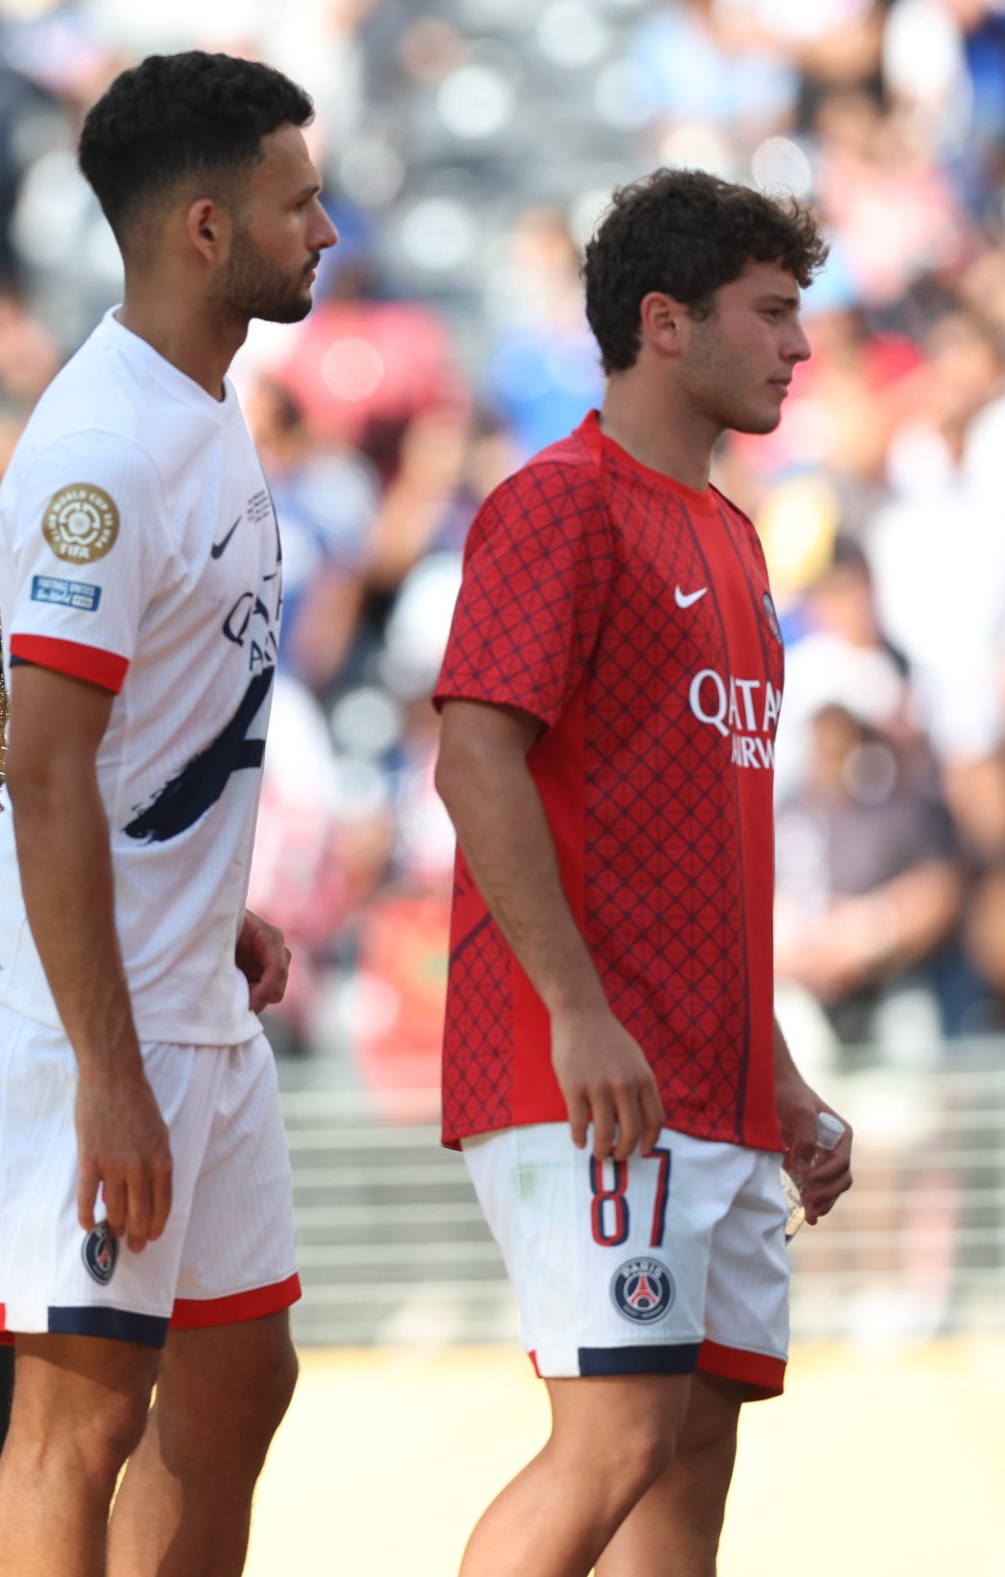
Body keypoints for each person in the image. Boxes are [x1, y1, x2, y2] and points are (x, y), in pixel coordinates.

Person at [0, 52, 334, 1577]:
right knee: (81, 1415)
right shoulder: (100, 452)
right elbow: (37, 767)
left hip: (182, 985)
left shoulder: (204, 409)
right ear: (208, 229)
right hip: (74, 1016)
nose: (329, 229)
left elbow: (145, 738)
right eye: (300, 203)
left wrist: (208, 897)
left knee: (242, 1379)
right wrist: (106, 1067)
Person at [432, 169, 859, 1577]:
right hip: (589, 1072)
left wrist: (779, 1072)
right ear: (665, 322)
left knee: (684, 1471)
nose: (801, 345)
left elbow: (706, 854)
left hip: (716, 1087)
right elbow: (473, 763)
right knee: (612, 1439)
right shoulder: (558, 505)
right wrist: (576, 1011)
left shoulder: (737, 538)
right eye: (775, 312)